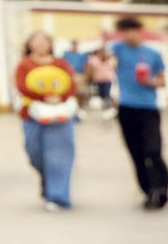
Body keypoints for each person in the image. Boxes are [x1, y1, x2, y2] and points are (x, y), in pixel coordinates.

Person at [110, 16, 168, 210]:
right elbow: (102, 58)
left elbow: (162, 81)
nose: (128, 35)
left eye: (132, 30)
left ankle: (161, 188)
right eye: (124, 31)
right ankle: (147, 191)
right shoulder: (118, 50)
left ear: (139, 31)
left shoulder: (152, 54)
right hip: (126, 108)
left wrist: (150, 82)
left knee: (153, 150)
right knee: (136, 153)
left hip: (148, 108)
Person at [15, 31, 79, 211]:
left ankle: (57, 196)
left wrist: (59, 97)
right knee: (34, 153)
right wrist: (44, 97)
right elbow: (21, 86)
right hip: (32, 115)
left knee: (59, 156)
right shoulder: (24, 65)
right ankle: (48, 179)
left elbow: (72, 85)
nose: (41, 44)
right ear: (30, 44)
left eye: (45, 41)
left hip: (59, 115)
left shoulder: (61, 64)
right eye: (37, 41)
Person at [86, 42, 118, 120]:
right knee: (101, 95)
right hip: (97, 80)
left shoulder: (111, 59)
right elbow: (89, 70)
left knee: (107, 94)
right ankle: (105, 109)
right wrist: (89, 78)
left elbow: (115, 68)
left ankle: (108, 109)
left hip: (108, 80)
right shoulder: (93, 59)